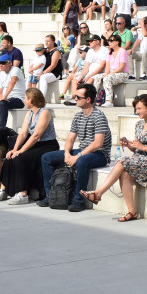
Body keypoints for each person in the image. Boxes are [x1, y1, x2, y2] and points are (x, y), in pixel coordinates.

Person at [80, 94, 147, 221]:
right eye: (136, 109)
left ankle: (98, 193)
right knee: (124, 174)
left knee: (122, 160)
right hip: (141, 159)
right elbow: (137, 147)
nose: (137, 111)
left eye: (139, 108)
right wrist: (129, 144)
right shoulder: (139, 124)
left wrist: (143, 147)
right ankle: (132, 211)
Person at [39, 83, 112, 211]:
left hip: (100, 154)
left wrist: (77, 156)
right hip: (83, 151)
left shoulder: (99, 116)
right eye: (75, 97)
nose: (75, 99)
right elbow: (70, 138)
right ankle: (51, 195)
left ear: (88, 100)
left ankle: (78, 200)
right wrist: (67, 153)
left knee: (81, 161)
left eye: (78, 97)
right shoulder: (78, 116)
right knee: (46, 158)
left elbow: (98, 143)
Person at [0, 88, 59, 205]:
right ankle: (4, 189)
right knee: (10, 156)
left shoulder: (45, 112)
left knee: (20, 158)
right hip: (35, 144)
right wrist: (14, 149)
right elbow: (23, 133)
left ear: (31, 99)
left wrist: (21, 151)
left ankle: (23, 194)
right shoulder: (29, 113)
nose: (24, 101)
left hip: (48, 145)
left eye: (25, 98)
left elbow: (36, 135)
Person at [90, 34, 129, 108]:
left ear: (117, 42)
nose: (109, 43)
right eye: (108, 41)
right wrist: (106, 74)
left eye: (111, 41)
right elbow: (107, 67)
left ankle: (109, 101)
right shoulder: (109, 52)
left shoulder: (122, 51)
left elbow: (121, 67)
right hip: (112, 72)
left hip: (122, 73)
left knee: (107, 79)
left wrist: (109, 74)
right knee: (97, 77)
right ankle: (94, 99)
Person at [0, 54, 26, 130]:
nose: (1, 65)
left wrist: (4, 98)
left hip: (18, 99)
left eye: (3, 63)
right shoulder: (1, 74)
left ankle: (1, 129)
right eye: (0, 63)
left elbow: (13, 81)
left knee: (3, 103)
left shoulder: (15, 70)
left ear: (9, 63)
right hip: (6, 99)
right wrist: (0, 100)